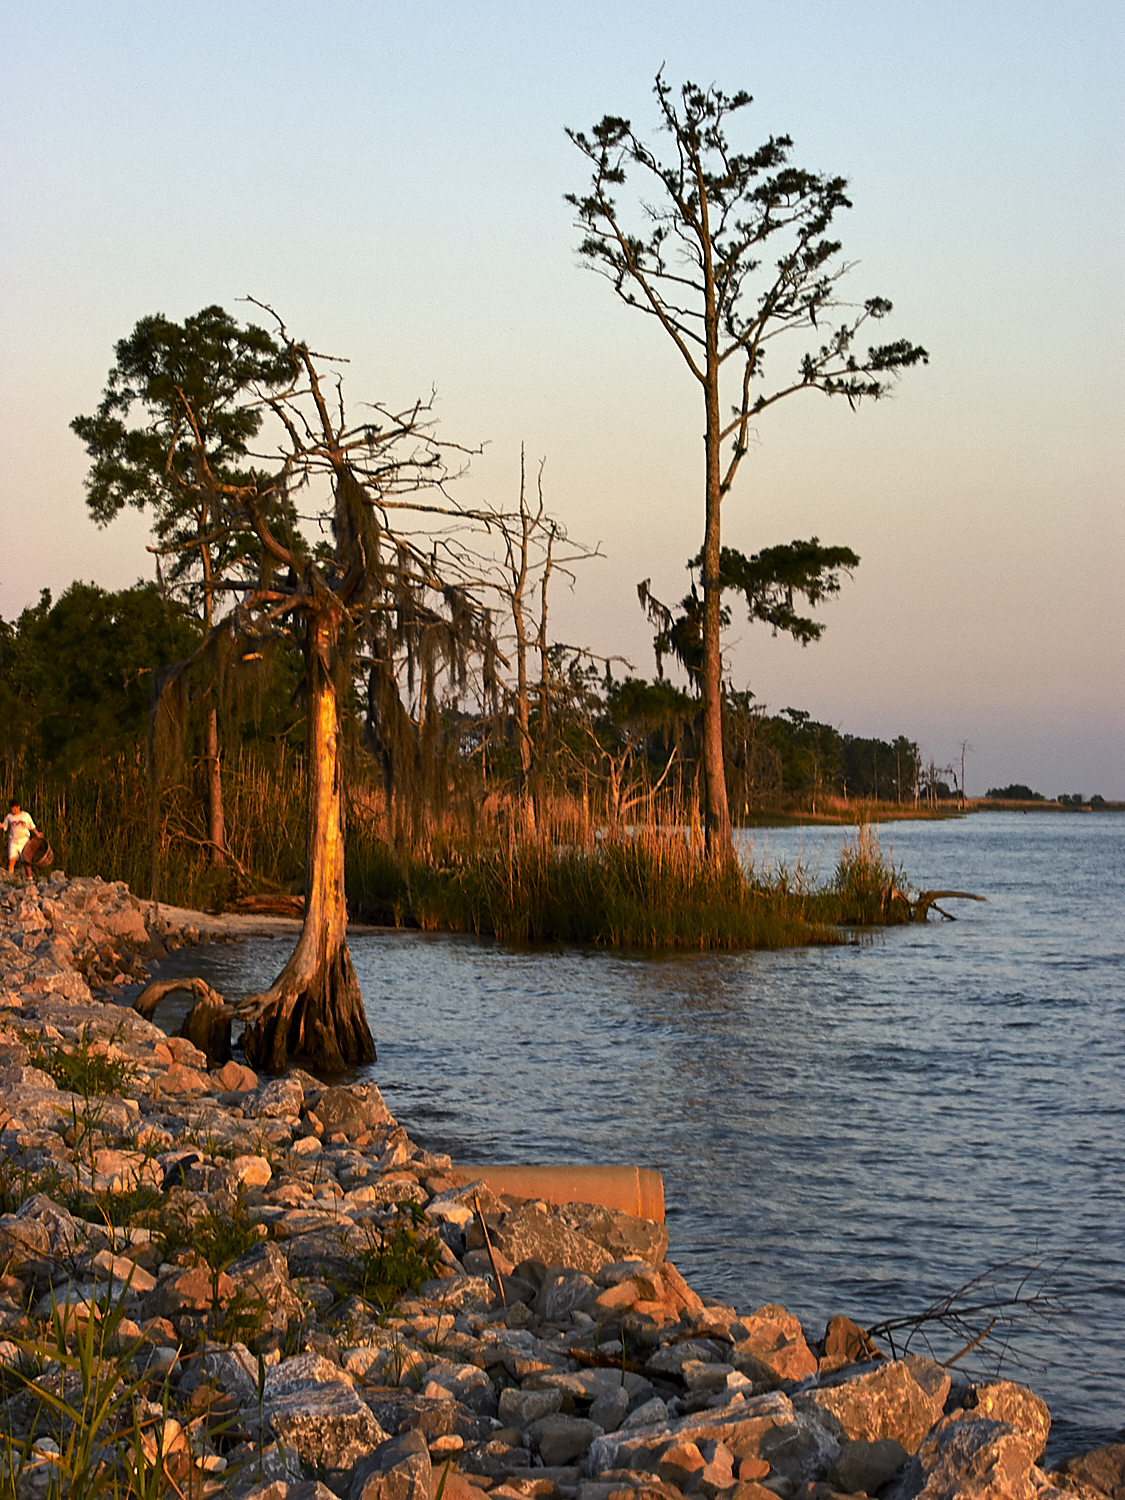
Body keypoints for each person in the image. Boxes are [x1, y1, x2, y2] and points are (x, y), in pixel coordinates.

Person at [2, 800, 37, 875]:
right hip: (13, 841)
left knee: (26, 861)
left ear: (18, 807)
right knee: (11, 860)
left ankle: (29, 878)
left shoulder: (25, 815)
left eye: (15, 809)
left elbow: (32, 826)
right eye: (12, 809)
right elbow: (4, 826)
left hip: (24, 840)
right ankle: (10, 878)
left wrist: (37, 833)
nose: (13, 811)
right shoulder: (9, 817)